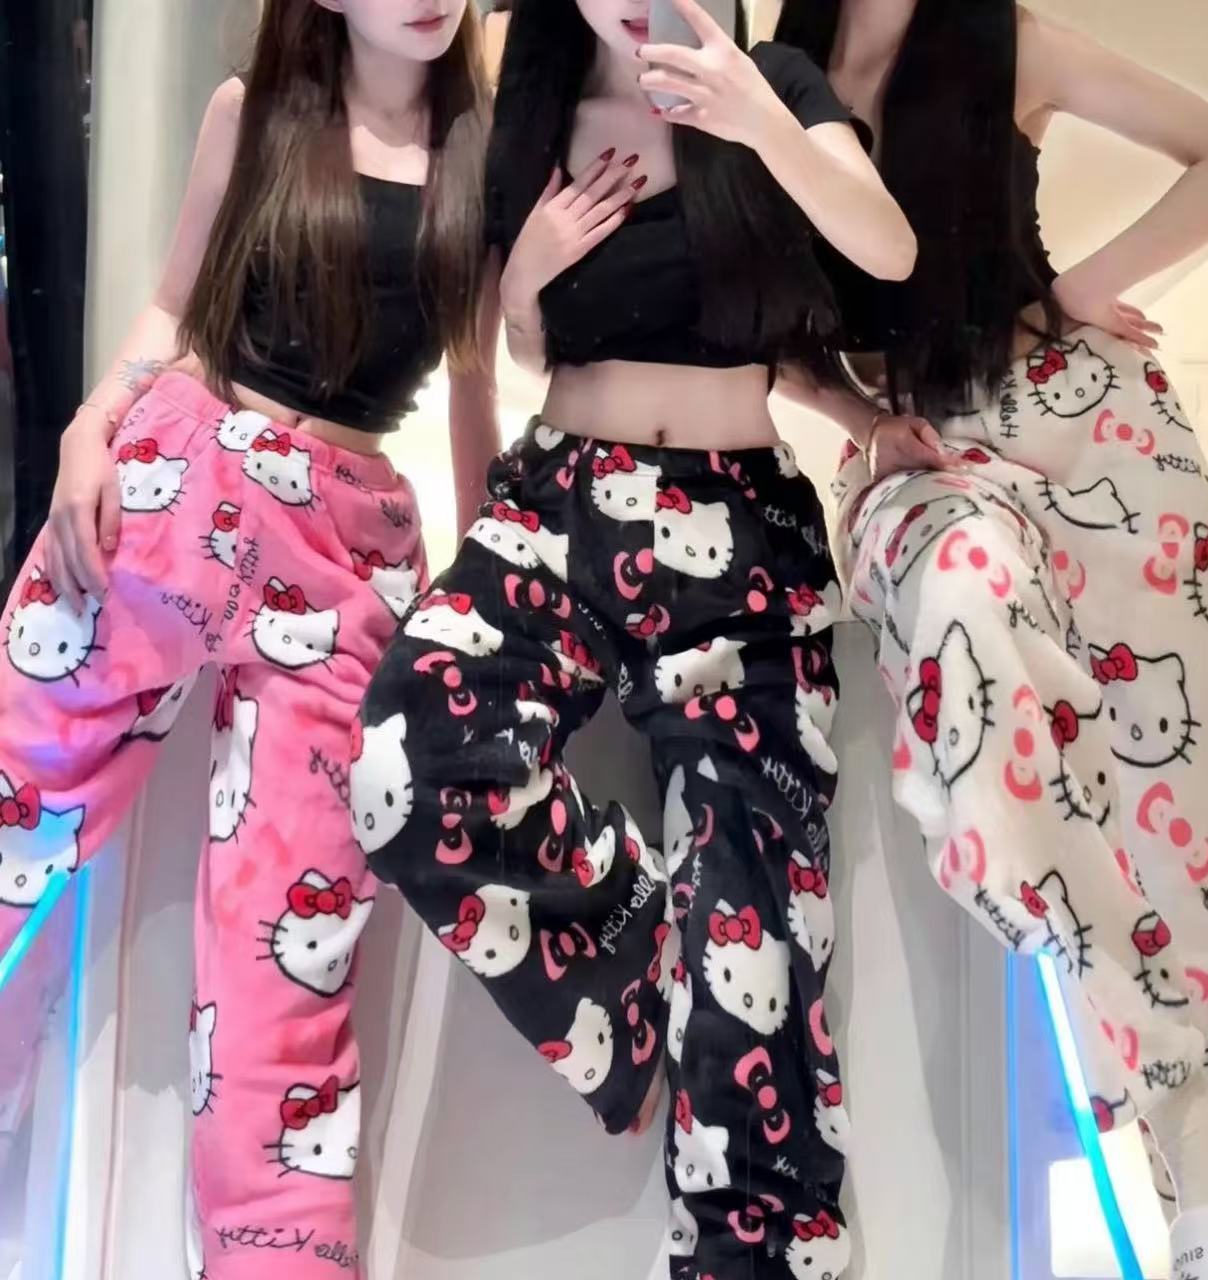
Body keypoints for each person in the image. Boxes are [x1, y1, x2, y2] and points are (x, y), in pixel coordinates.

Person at [352, 0, 914, 1274]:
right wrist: (526, 278)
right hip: (562, 497)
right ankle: (639, 953)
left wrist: (755, 118)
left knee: (755, 972)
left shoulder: (773, 85)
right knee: (406, 759)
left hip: (742, 529)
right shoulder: (536, 113)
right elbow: (518, 344)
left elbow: (883, 249)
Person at [772, 1, 1208, 1275]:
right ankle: (1148, 1058)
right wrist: (849, 412)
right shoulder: (777, 77)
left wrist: (1078, 289)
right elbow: (748, 321)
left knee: (1207, 841)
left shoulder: (1006, 38)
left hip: (1095, 427)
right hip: (919, 450)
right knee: (966, 611)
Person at [0, 1, 497, 1274]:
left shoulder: (480, 155)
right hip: (181, 484)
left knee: (291, 970)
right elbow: (175, 307)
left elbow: (473, 397)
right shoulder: (253, 114)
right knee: (12, 793)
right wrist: (87, 428)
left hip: (347, 553)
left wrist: (484, 597)